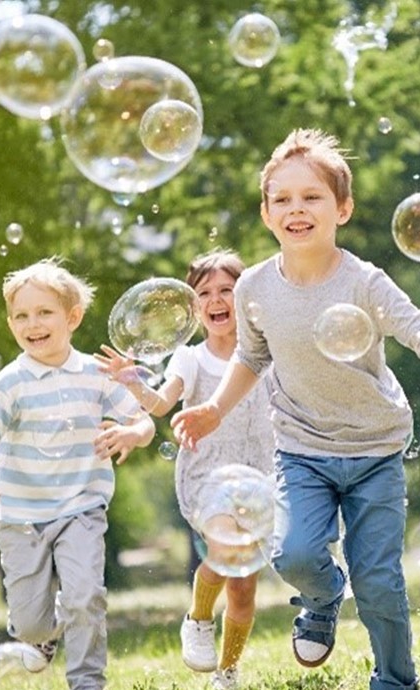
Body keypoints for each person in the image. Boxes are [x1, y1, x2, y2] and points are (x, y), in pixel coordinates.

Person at [171, 128, 420, 690]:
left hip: (374, 449)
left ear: (341, 208)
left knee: (380, 582)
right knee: (293, 554)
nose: (298, 210)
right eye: (283, 200)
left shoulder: (364, 281)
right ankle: (321, 600)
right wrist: (214, 411)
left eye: (312, 197)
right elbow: (251, 356)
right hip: (302, 449)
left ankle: (395, 680)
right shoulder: (251, 288)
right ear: (267, 213)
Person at [0, 257, 155, 690]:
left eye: (44, 312)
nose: (33, 324)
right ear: (11, 323)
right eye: (21, 315)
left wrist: (131, 433)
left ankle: (87, 681)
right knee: (30, 624)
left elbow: (144, 422)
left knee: (85, 597)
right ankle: (43, 637)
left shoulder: (96, 375)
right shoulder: (8, 384)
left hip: (81, 507)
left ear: (72, 317)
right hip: (20, 518)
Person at [95, 249, 275, 690]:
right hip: (208, 475)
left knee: (244, 588)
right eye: (205, 293)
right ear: (194, 307)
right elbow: (161, 404)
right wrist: (135, 383)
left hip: (263, 476)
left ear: (245, 297)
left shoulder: (269, 351)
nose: (216, 300)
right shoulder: (189, 359)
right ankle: (197, 618)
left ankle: (227, 671)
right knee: (224, 551)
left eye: (227, 291)